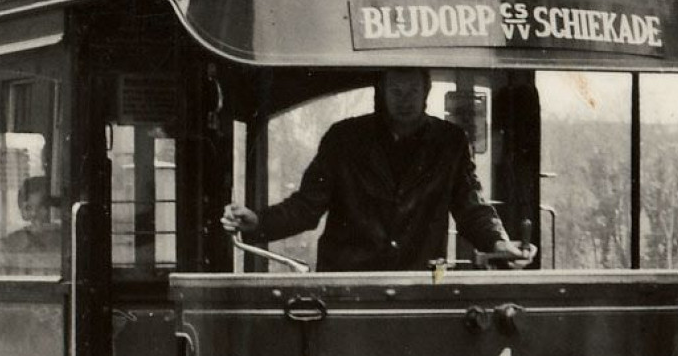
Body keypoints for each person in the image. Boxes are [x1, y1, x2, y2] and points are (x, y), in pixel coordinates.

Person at [221, 68, 535, 272]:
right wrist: (258, 221)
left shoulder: (450, 143)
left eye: (412, 91)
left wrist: (499, 243)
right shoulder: (343, 139)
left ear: (425, 91)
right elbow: (306, 207)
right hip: (349, 287)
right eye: (397, 91)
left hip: (420, 287)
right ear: (381, 92)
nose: (405, 100)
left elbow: (471, 208)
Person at [0, 176, 61, 271]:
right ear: (21, 210)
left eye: (42, 207)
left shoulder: (65, 243)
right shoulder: (8, 246)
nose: (34, 214)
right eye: (28, 208)